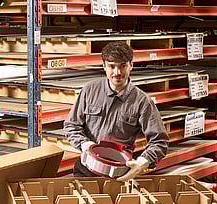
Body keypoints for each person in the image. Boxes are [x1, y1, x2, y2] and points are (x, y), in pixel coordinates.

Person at [64, 41, 169, 181]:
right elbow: (71, 125)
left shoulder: (142, 101)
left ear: (131, 65)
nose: (117, 73)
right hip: (85, 169)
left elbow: (160, 141)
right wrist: (85, 144)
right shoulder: (89, 90)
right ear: (104, 66)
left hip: (120, 174)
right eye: (112, 66)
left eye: (123, 66)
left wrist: (143, 162)